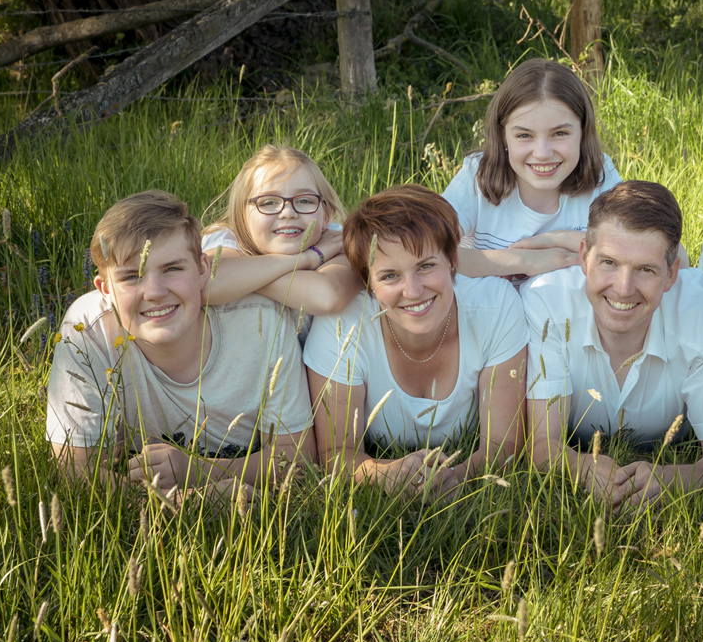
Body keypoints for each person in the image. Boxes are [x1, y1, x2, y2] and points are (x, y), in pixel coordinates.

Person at [46, 190, 315, 491]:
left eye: (172, 269)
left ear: (202, 269)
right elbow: (75, 469)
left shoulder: (261, 322)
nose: (155, 292)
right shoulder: (87, 333)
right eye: (131, 277)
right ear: (104, 289)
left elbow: (298, 456)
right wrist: (178, 505)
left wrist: (199, 471)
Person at [521, 181, 703, 508]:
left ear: (670, 274)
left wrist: (670, 479)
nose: (624, 289)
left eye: (645, 269)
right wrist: (578, 466)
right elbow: (541, 444)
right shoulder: (547, 303)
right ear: (583, 257)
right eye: (608, 262)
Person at [303, 185, 527, 498]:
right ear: (368, 283)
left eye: (425, 266)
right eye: (390, 276)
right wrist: (384, 474)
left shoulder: (495, 308)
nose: (413, 290)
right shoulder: (343, 325)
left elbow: (504, 445)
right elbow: (335, 453)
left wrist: (456, 478)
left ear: (452, 260)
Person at [441, 58, 624, 282]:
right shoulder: (478, 174)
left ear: (583, 131)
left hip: (567, 316)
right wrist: (523, 261)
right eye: (524, 135)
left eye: (560, 134)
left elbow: (651, 251)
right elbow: (427, 252)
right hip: (492, 314)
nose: (542, 153)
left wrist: (557, 239)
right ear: (502, 135)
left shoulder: (600, 174)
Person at [201, 144, 360, 325]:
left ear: (326, 215)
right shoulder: (228, 240)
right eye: (268, 202)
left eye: (305, 200)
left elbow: (328, 296)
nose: (288, 212)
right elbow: (208, 282)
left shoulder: (336, 241)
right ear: (241, 216)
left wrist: (243, 279)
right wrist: (308, 257)